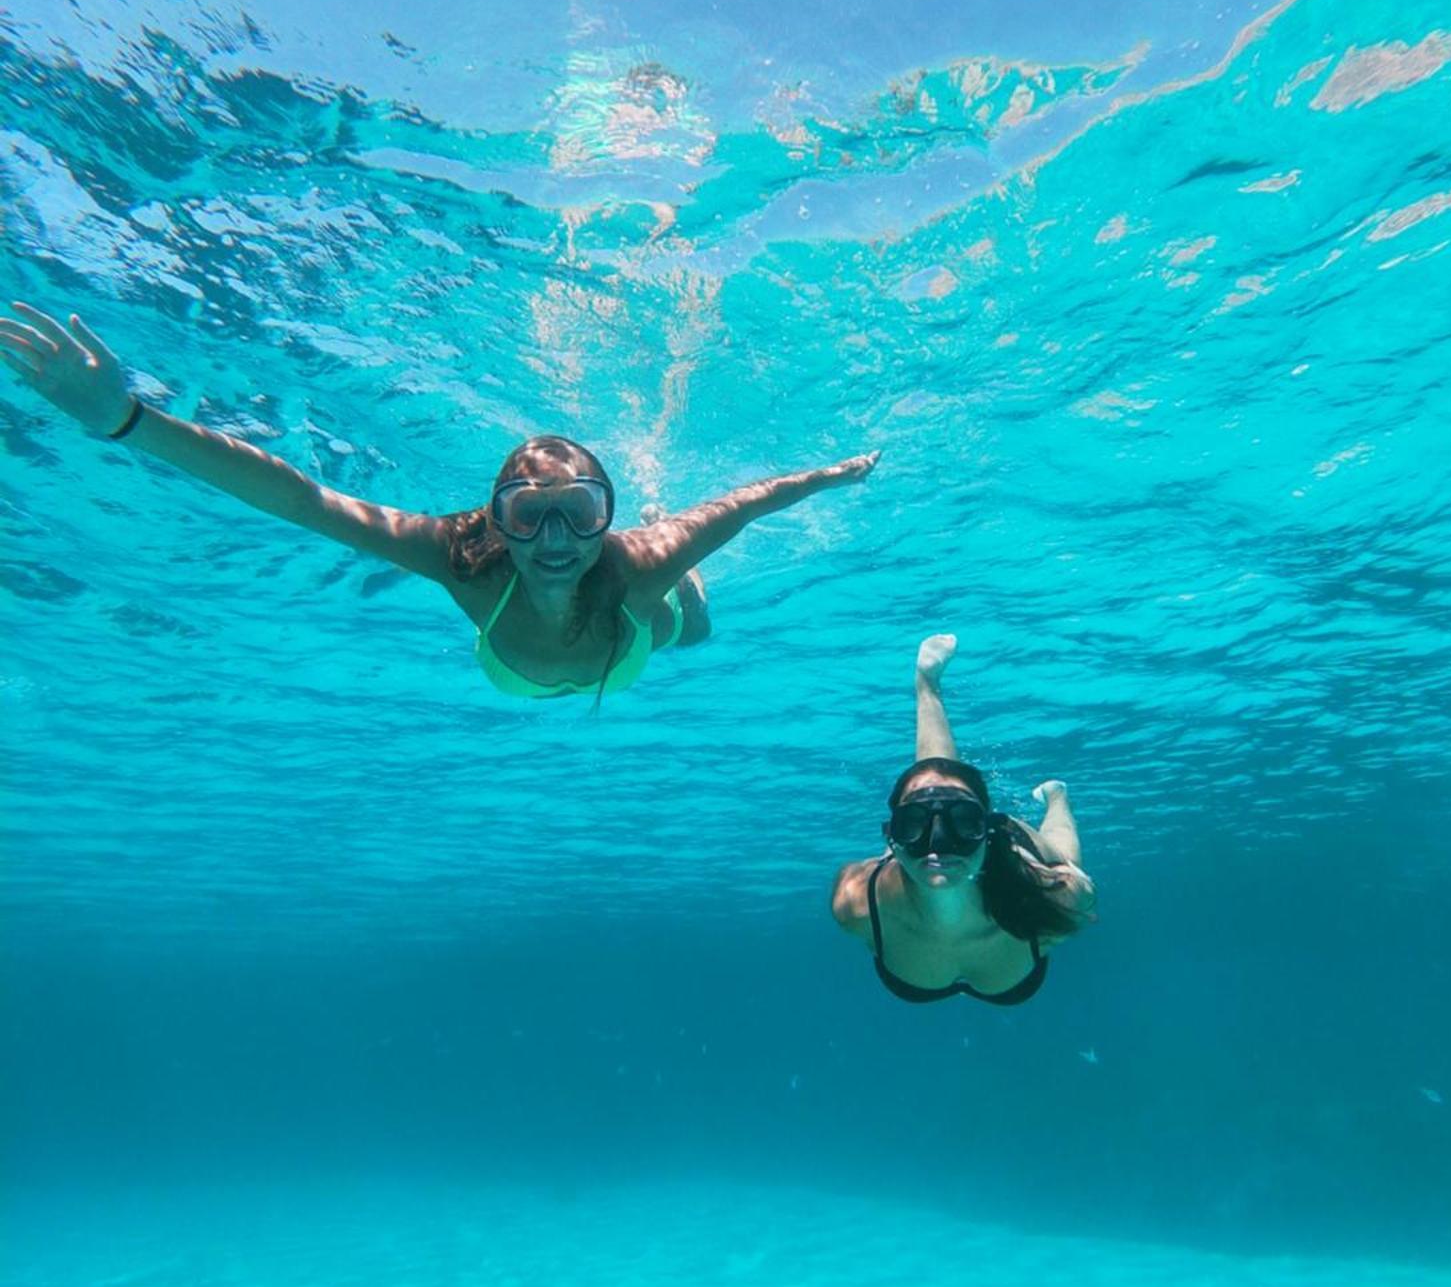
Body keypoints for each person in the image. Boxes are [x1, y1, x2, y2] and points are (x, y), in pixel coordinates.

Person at [0, 302, 878, 700]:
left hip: (632, 635)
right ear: (496, 520)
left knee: (697, 624)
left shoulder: (636, 558)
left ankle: (675, 586)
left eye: (580, 508)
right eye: (530, 512)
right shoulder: (456, 556)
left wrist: (830, 477)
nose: (558, 537)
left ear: (609, 518)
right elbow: (303, 498)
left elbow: (755, 501)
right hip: (514, 675)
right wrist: (124, 420)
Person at [831, 634, 1095, 1002]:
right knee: (939, 784)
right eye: (914, 824)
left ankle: (1057, 796)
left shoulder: (1054, 896)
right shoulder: (856, 903)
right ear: (892, 836)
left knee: (1064, 858)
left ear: (985, 829)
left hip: (1012, 851)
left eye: (963, 822)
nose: (937, 842)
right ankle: (927, 684)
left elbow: (1077, 890)